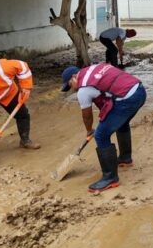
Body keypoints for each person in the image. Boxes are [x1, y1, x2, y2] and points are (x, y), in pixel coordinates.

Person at [61, 63, 146, 192]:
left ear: (74, 77)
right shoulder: (94, 68)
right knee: (121, 122)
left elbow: (87, 115)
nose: (73, 89)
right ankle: (125, 158)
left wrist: (89, 131)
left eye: (70, 85)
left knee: (101, 135)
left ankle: (110, 178)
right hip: (139, 91)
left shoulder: (83, 89)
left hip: (126, 98)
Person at [0, 59, 40, 164]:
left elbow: (22, 67)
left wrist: (26, 87)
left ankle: (25, 140)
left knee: (23, 115)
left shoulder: (0, 67)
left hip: (7, 93)